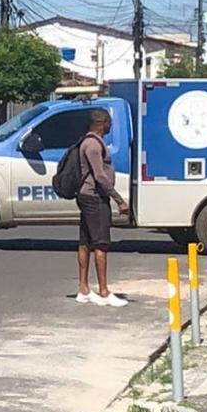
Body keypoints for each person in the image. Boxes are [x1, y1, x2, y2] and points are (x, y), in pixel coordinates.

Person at [76, 109, 130, 307]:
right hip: (95, 198)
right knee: (100, 243)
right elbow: (100, 176)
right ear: (102, 123)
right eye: (108, 122)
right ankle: (104, 291)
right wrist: (119, 200)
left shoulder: (90, 142)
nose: (110, 126)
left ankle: (83, 289)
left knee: (85, 241)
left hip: (87, 196)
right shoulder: (93, 145)